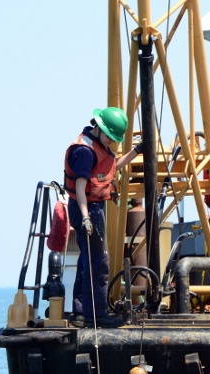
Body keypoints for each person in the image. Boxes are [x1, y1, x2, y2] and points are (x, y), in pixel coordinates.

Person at [64, 107, 142, 327]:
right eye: (111, 137)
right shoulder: (85, 152)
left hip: (91, 207)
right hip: (86, 208)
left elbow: (113, 167)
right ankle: (96, 315)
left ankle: (81, 312)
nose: (112, 142)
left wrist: (137, 150)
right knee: (99, 262)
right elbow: (81, 188)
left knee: (86, 261)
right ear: (98, 127)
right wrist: (86, 217)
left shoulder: (97, 145)